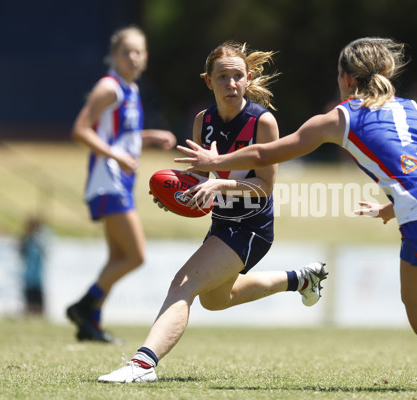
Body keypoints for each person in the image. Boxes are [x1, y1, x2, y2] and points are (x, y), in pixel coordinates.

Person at [177, 37, 417, 391]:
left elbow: (266, 154)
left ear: (345, 79)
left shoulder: (339, 117)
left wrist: (218, 160)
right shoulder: (411, 106)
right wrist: (392, 204)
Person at [97, 41, 327, 382]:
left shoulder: (262, 123)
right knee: (217, 300)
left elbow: (264, 187)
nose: (231, 84)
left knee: (182, 285)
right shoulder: (203, 121)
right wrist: (180, 193)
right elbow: (200, 180)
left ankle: (143, 365)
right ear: (209, 81)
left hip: (251, 228)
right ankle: (301, 279)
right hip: (222, 224)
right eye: (222, 77)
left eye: (237, 76)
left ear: (248, 79)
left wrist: (219, 186)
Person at [66, 26, 178, 343]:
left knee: (118, 258)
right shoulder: (109, 87)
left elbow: (119, 136)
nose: (132, 57)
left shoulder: (131, 90)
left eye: (138, 52)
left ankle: (91, 325)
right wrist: (116, 155)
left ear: (145, 57)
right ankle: (84, 306)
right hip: (107, 181)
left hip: (121, 182)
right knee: (136, 256)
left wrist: (150, 137)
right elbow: (80, 130)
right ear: (114, 55)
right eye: (126, 51)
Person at [19, 217, 49, 316]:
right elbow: (20, 252)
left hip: (38, 278)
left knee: (39, 305)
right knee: (29, 304)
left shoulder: (40, 240)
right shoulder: (26, 241)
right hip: (28, 277)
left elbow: (46, 252)